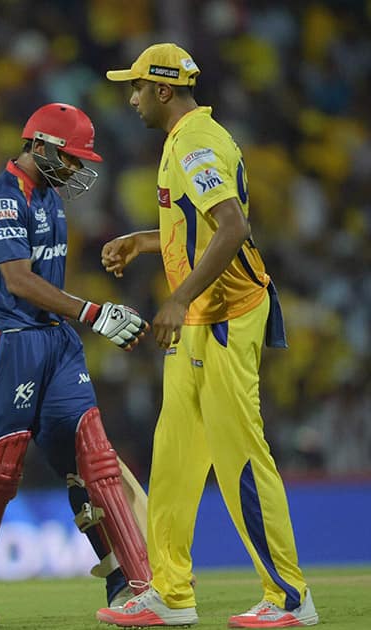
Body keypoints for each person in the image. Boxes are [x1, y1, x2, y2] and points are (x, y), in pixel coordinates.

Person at [97, 43, 317, 628]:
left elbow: (233, 226)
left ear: (164, 91)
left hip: (223, 319)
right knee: (173, 460)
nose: (132, 97)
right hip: (200, 322)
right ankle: (171, 594)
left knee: (240, 457)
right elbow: (199, 223)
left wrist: (177, 296)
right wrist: (145, 241)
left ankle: (290, 597)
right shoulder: (184, 139)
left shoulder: (195, 141)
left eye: (139, 87)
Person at [0, 103, 150, 625]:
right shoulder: (2, 199)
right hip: (8, 342)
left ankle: (136, 586)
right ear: (39, 147)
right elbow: (18, 281)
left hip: (54, 341)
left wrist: (80, 316)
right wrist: (93, 312)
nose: (77, 169)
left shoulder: (49, 196)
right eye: (71, 158)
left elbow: (45, 285)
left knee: (93, 456)